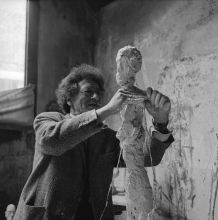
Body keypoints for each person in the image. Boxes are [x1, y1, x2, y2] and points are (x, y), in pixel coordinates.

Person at [14, 64, 174, 220]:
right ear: (69, 98)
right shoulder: (47, 120)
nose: (96, 97)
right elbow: (52, 142)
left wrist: (161, 123)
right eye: (88, 92)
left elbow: (144, 156)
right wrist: (108, 110)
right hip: (49, 213)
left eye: (98, 93)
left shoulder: (105, 136)